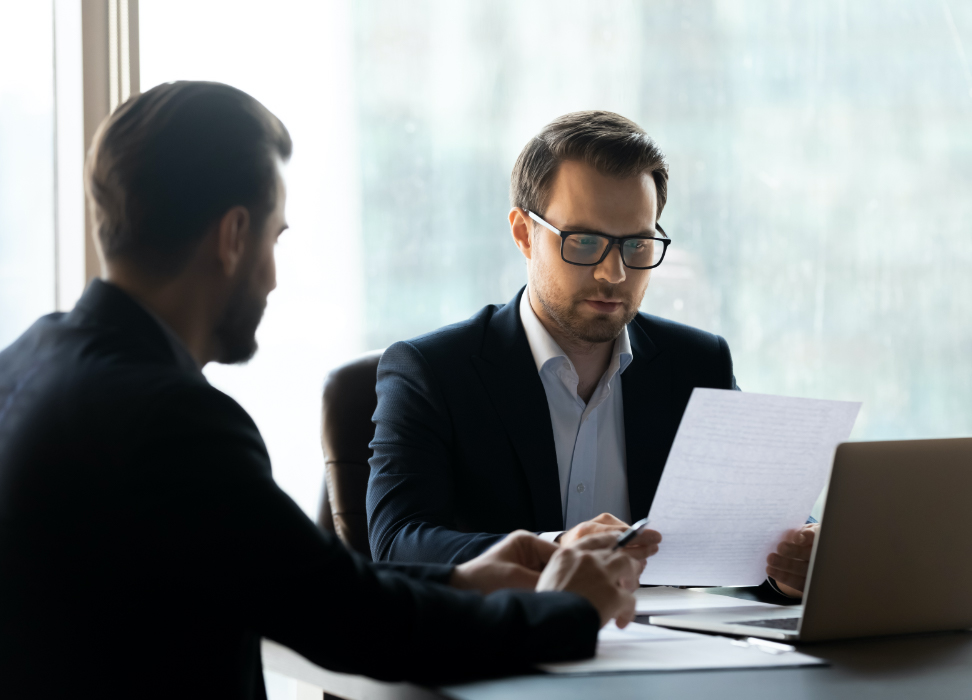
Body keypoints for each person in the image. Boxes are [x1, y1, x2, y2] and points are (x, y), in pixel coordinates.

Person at [0, 83, 654, 699]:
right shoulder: (171, 421)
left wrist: (461, 577)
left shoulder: (30, 364)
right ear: (232, 237)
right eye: (275, 235)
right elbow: (354, 624)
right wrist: (567, 609)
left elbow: (297, 582)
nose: (275, 277)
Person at [367, 111, 814, 597]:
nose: (614, 273)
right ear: (523, 233)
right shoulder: (432, 372)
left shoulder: (696, 364)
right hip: (513, 651)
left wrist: (795, 562)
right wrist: (556, 553)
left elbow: (764, 519)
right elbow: (397, 543)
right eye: (584, 241)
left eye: (637, 245)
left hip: (674, 654)